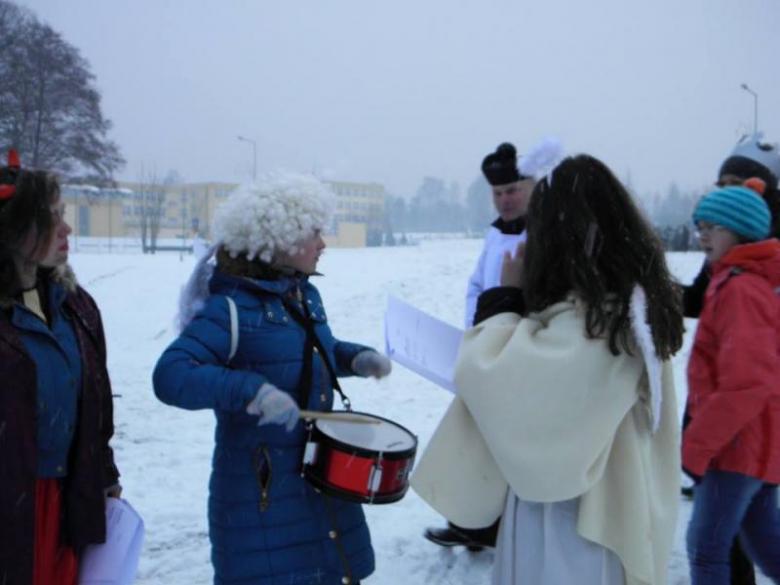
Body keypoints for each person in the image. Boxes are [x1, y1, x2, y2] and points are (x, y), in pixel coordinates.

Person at [412, 154, 684, 584]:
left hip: (574, 526)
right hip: (598, 510)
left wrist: (502, 299)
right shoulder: (624, 303)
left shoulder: (603, 321)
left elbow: (503, 386)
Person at [153, 172, 392, 585]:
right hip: (260, 493)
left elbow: (314, 351)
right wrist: (250, 391)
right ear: (278, 238)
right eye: (314, 232)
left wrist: (354, 359)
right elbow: (171, 375)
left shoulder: (301, 294)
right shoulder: (230, 307)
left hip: (317, 479)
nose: (324, 243)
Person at [0, 151, 121, 585]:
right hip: (12, 503)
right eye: (52, 217)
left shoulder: (77, 307)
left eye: (63, 214)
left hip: (68, 499)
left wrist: (104, 474)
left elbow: (97, 407)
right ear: (13, 228)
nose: (67, 228)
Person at [424, 141, 535, 551]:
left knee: (506, 447)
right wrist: (473, 333)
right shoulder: (495, 233)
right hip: (484, 348)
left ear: (532, 186)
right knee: (474, 440)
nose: (504, 200)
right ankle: (469, 521)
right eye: (497, 193)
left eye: (512, 190)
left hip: (517, 356)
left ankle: (497, 527)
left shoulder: (543, 235)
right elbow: (476, 285)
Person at [680, 133, 780, 585]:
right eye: (700, 227)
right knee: (763, 541)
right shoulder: (735, 278)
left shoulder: (742, 287)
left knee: (705, 550)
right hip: (752, 444)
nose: (701, 237)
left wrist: (699, 443)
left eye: (711, 228)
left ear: (737, 231)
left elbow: (747, 383)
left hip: (735, 447)